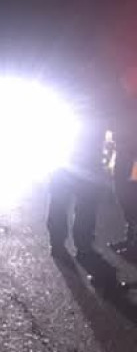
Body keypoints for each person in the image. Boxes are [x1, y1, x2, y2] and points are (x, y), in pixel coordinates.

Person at [47, 64, 107, 262]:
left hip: (74, 158)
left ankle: (66, 245)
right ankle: (78, 246)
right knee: (79, 204)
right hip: (75, 158)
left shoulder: (65, 92)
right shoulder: (96, 96)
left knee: (69, 202)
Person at [108, 64, 137, 260]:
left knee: (131, 198)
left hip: (133, 158)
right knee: (124, 197)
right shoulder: (125, 100)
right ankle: (131, 241)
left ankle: (134, 245)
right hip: (123, 154)